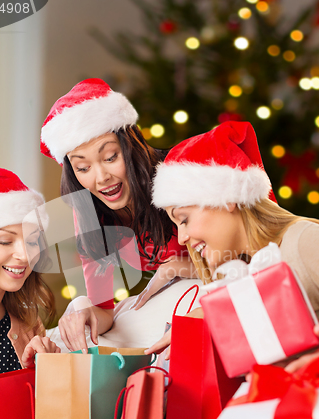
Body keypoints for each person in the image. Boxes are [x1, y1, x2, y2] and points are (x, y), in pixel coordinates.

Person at [146, 120, 319, 370]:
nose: (182, 238)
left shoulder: (303, 241)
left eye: (184, 219)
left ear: (226, 197)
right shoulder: (242, 278)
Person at [40, 78, 196, 352]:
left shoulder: (178, 177)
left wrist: (179, 268)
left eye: (111, 157)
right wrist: (82, 307)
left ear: (130, 146)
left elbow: (246, 260)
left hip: (218, 290)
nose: (101, 178)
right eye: (83, 168)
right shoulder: (89, 212)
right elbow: (104, 311)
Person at [0, 167, 60, 380]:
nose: (25, 255)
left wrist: (49, 371)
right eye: (5, 241)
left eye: (32, 241)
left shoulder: (30, 323)